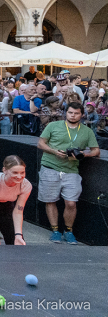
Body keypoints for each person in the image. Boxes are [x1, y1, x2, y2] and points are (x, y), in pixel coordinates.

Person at [37, 101, 101, 244]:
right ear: (66, 112)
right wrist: (54, 151)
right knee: (50, 200)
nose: (73, 115)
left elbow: (96, 150)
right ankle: (55, 230)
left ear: (82, 115)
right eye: (70, 112)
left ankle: (68, 231)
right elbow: (41, 143)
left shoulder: (87, 131)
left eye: (76, 113)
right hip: (50, 166)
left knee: (71, 203)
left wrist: (84, 154)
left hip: (71, 169)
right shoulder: (53, 126)